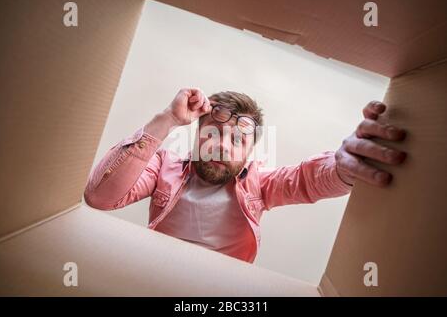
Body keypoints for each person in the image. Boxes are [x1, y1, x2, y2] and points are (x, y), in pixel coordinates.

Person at [84, 88, 407, 263]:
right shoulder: (162, 166)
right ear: (196, 137)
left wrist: (341, 166)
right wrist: (167, 119)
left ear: (250, 151)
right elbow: (99, 197)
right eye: (213, 134)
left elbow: (306, 180)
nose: (222, 147)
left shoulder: (260, 184)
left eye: (238, 140)